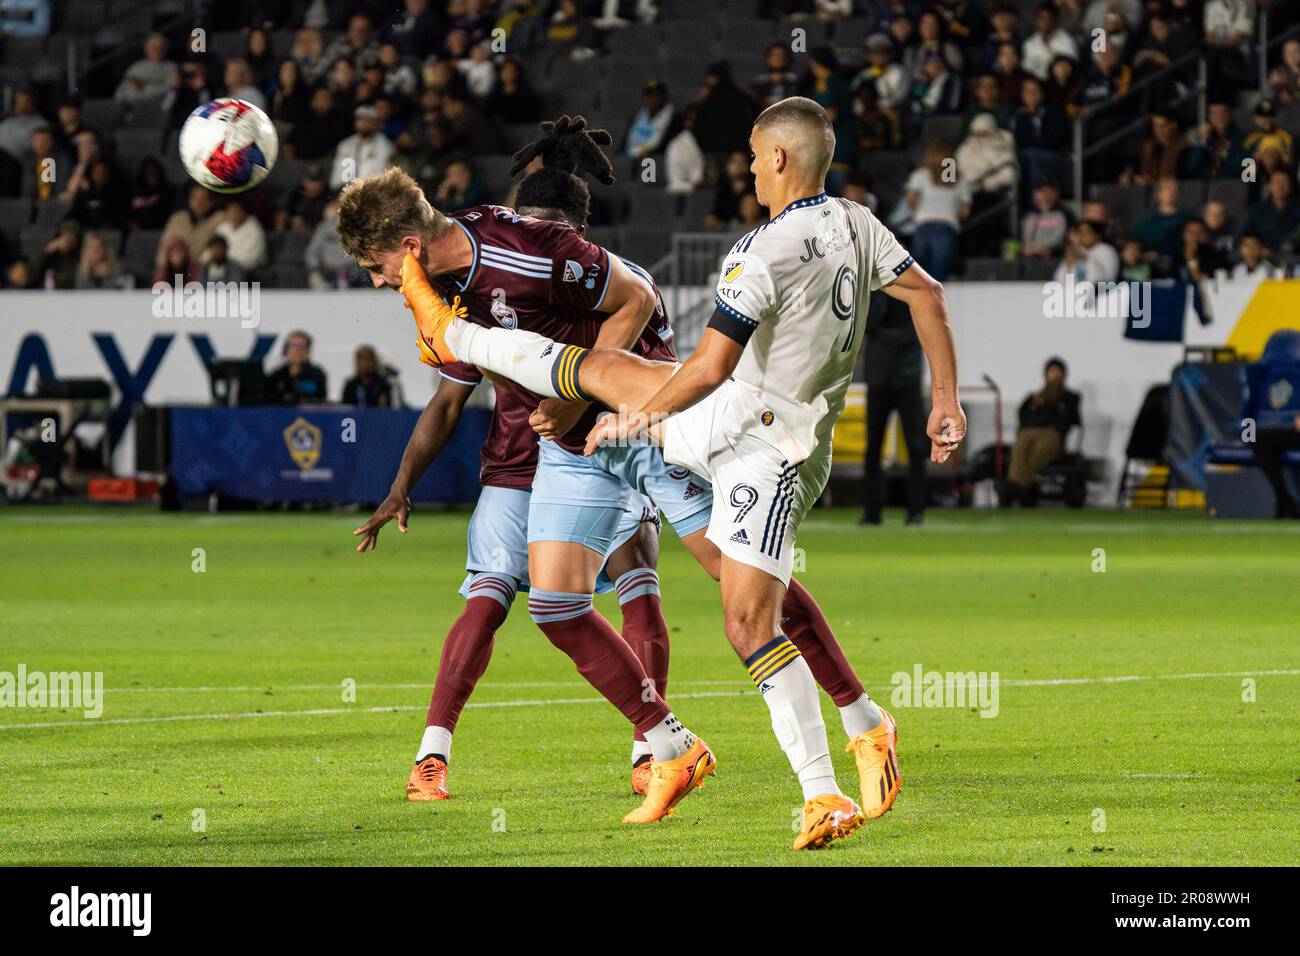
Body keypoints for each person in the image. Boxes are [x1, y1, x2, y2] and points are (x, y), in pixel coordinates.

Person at [372, 97, 966, 849]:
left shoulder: (758, 253)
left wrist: (639, 417)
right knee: (566, 573)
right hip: (704, 423)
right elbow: (927, 294)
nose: (747, 167)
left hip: (756, 438)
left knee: (747, 611)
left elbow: (709, 366)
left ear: (778, 159)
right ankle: (690, 744)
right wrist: (944, 399)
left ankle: (836, 765)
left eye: (752, 155)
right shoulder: (856, 220)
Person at [861, 294, 929, 526]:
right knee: (908, 447)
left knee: (881, 446)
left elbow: (868, 325)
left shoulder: (879, 289)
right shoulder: (912, 290)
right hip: (898, 375)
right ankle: (912, 511)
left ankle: (876, 511)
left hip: (893, 375)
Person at [1000, 356, 1080, 506]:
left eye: (1058, 372)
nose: (1054, 376)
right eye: (1052, 372)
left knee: (1038, 452)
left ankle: (1018, 487)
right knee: (1020, 450)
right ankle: (1022, 488)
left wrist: (1047, 410)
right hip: (1029, 433)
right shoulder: (1033, 398)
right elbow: (1023, 417)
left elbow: (1067, 420)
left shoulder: (1071, 398)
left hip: (1053, 436)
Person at [1245, 331, 1300, 518]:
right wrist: (1246, 435)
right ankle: (1284, 499)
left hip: (1294, 431)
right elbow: (1247, 414)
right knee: (1258, 441)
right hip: (1269, 433)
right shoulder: (1258, 377)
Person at [905, 138, 971, 281]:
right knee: (939, 278)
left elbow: (910, 198)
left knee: (921, 277)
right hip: (946, 228)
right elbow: (965, 211)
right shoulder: (959, 179)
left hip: (923, 227)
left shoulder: (921, 175)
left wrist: (916, 209)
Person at [266, 331, 328, 404]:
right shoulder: (277, 374)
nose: (297, 350)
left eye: (301, 346)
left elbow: (321, 398)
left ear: (307, 351)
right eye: (293, 346)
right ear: (286, 350)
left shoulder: (317, 374)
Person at [623, 80, 673, 159]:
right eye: (648, 95)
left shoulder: (673, 118)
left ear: (663, 97)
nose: (650, 99)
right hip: (631, 157)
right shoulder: (641, 114)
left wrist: (641, 151)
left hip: (655, 161)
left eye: (654, 96)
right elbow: (628, 140)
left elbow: (657, 145)